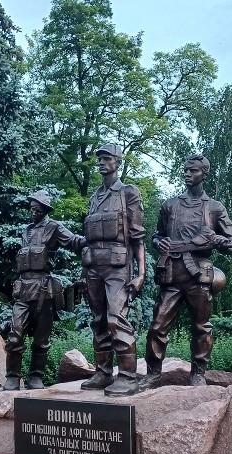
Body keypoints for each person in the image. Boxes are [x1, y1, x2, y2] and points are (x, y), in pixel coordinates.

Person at [142, 154, 232, 389]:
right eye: (186, 170)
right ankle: (153, 374)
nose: (188, 174)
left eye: (193, 171)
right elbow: (156, 235)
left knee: (201, 327)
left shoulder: (215, 208)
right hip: (172, 274)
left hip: (199, 275)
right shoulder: (170, 205)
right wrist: (159, 243)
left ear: (204, 174)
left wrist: (222, 242)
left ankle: (198, 374)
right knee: (157, 326)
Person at [80, 143, 146, 397]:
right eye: (99, 159)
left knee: (115, 318)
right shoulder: (95, 197)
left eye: (107, 158)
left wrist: (140, 274)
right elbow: (89, 237)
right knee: (98, 321)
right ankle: (103, 372)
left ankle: (128, 376)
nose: (101, 162)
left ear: (118, 162)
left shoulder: (128, 192)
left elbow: (138, 237)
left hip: (119, 266)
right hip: (93, 266)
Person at [3, 189, 85, 391]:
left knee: (41, 339)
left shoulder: (54, 227)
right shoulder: (27, 230)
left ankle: (36, 378)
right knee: (15, 335)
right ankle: (13, 377)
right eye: (31, 209)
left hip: (44, 290)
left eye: (37, 209)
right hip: (23, 289)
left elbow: (75, 242)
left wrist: (95, 235)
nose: (33, 212)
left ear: (45, 209)